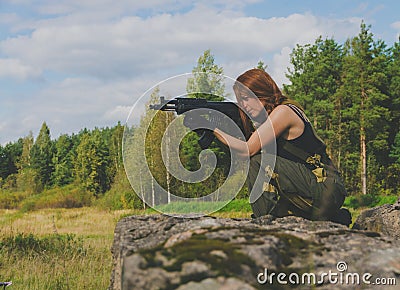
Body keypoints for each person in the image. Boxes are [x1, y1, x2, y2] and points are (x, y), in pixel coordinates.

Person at [184, 68, 351, 226]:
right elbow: (245, 147)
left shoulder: (284, 112)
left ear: (262, 92)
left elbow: (248, 150)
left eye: (247, 97)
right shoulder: (271, 117)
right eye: (240, 99)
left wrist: (212, 128)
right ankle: (332, 218)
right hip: (315, 188)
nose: (244, 105)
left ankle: (264, 223)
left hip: (326, 188)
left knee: (258, 161)